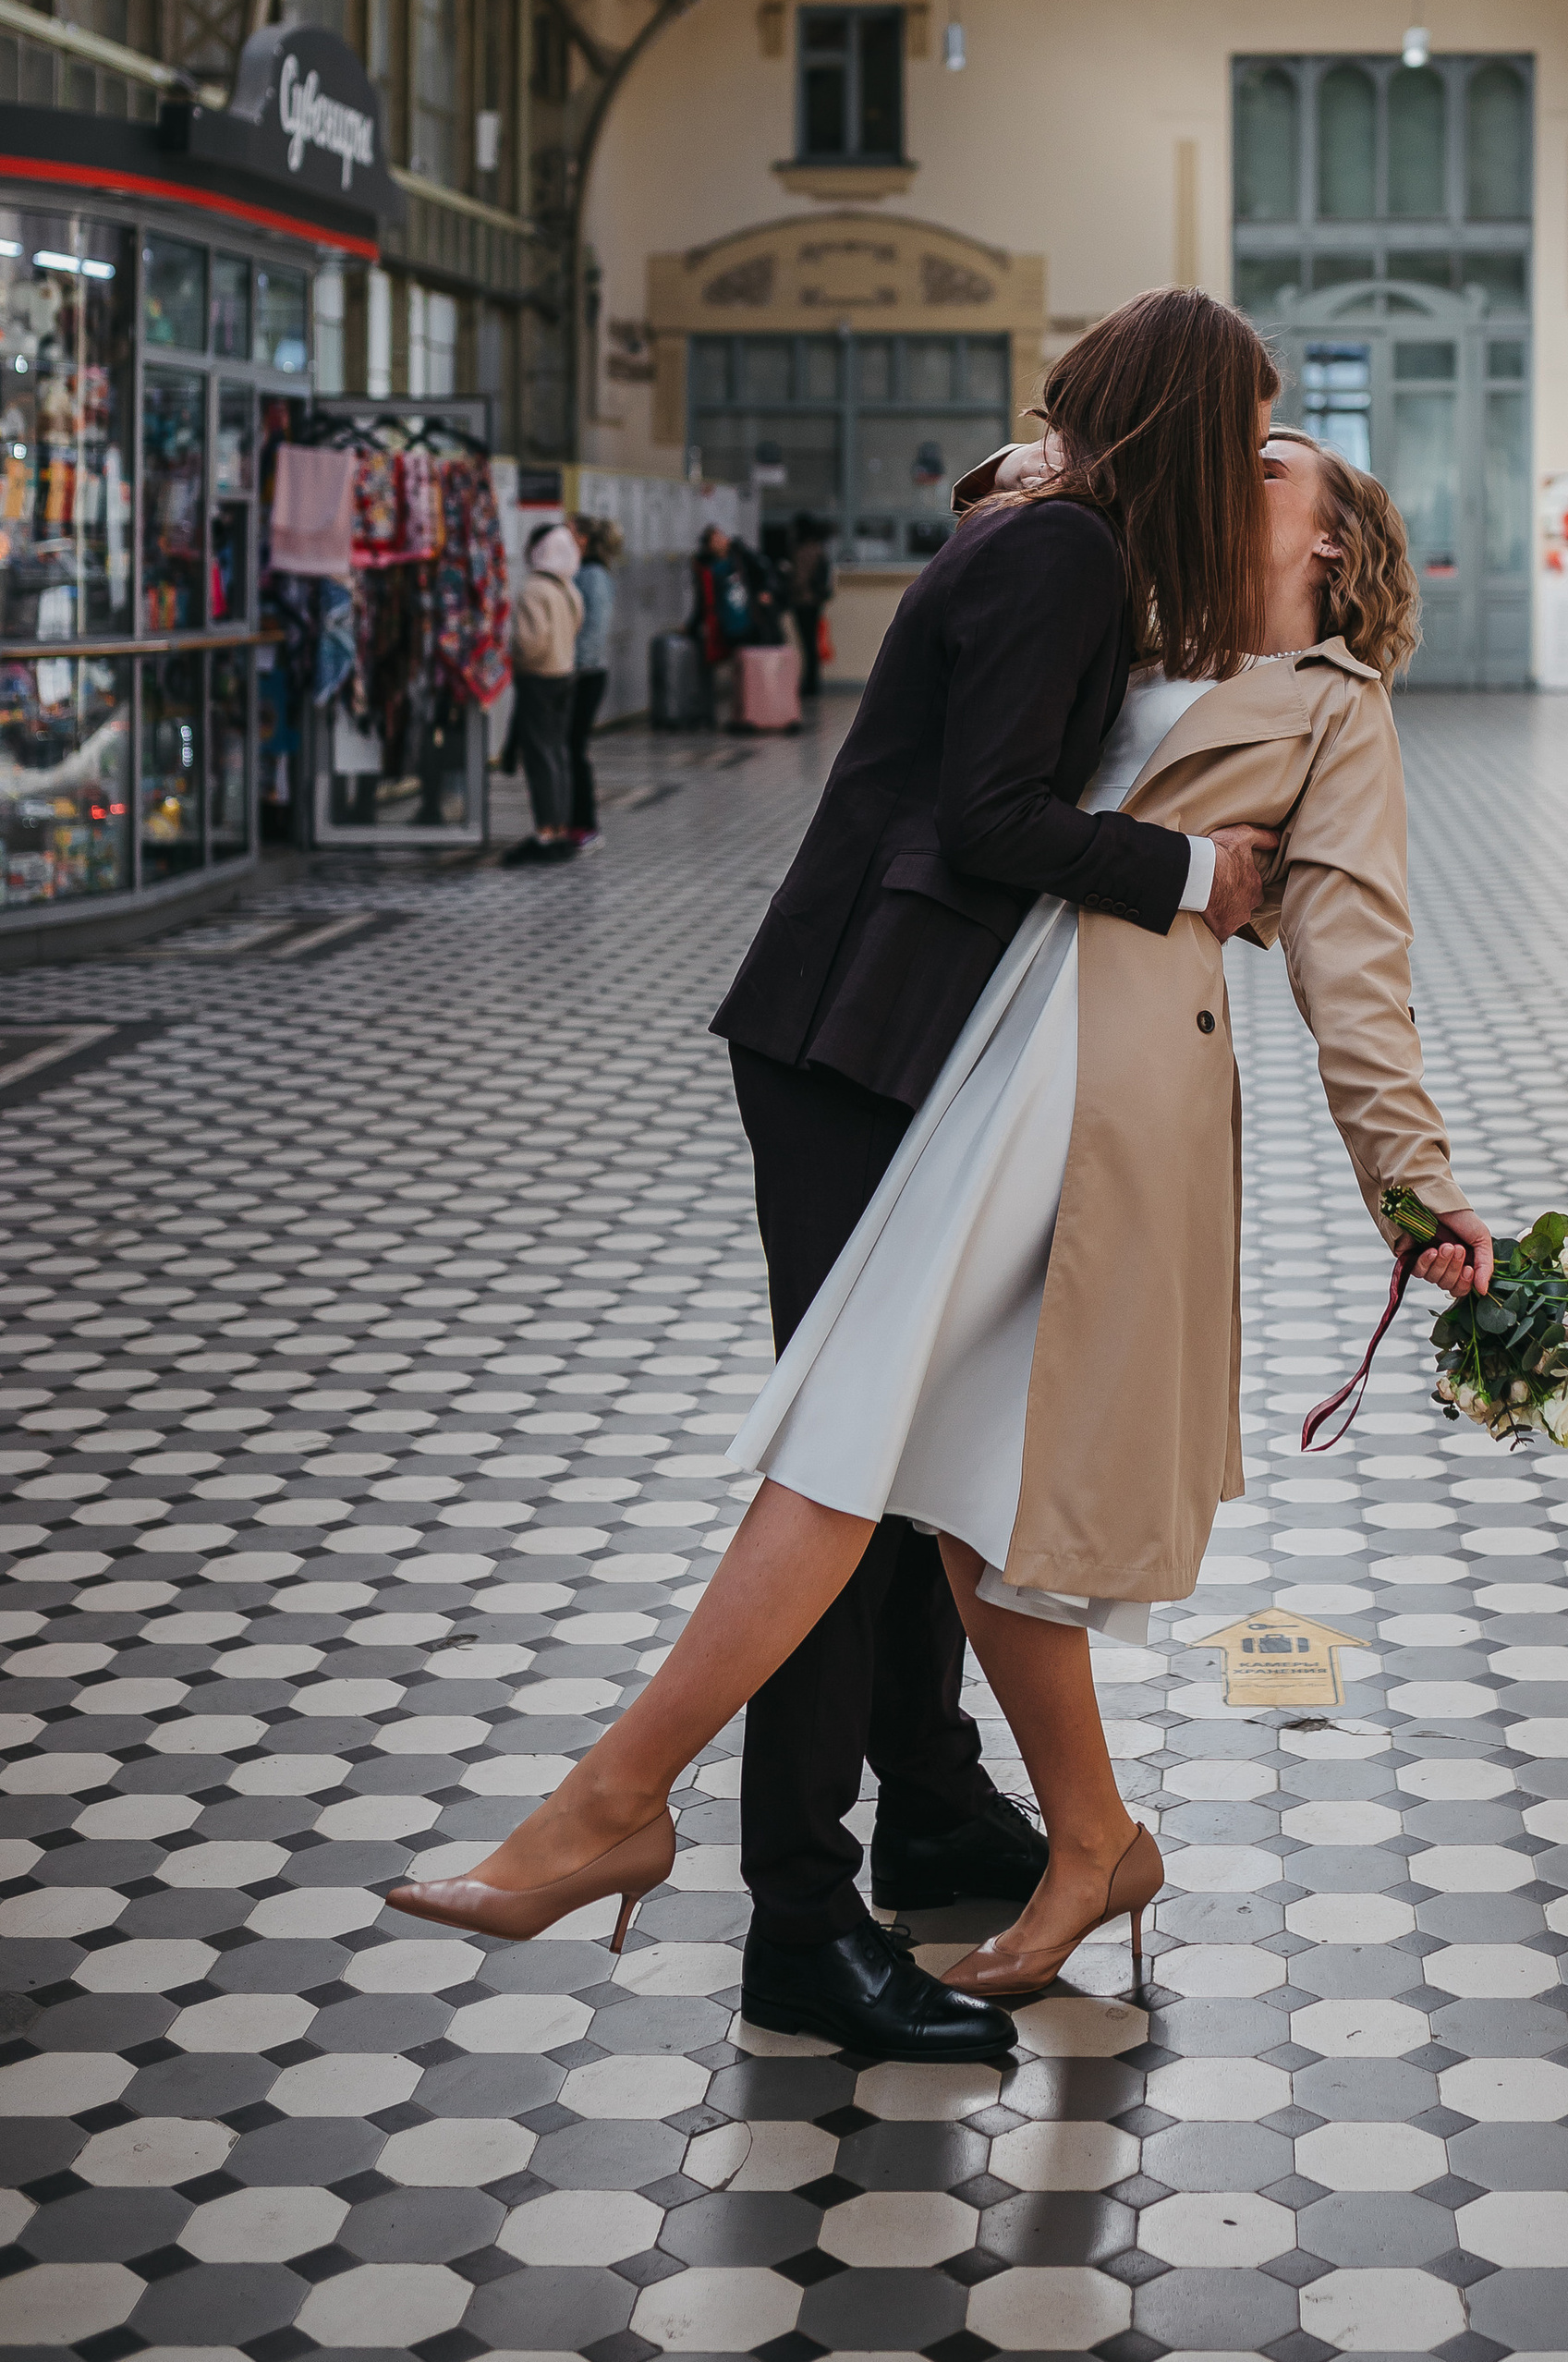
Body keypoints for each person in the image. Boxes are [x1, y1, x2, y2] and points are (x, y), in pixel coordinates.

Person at [387, 298, 1490, 2049]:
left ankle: (720, 1813)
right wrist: (1082, 474)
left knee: (907, 1472)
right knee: (905, 1477)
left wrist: (1415, 1192)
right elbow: (1024, 563)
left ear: (1334, 531)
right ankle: (999, 1836)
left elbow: (1358, 962)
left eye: (1271, 463)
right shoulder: (1126, 594)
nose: (1241, 472)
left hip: (1094, 1104)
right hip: (983, 1065)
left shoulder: (1329, 708)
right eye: (1231, 440)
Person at [503, 523, 582, 871]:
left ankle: (545, 832)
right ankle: (561, 827)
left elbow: (531, 643)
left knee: (539, 757)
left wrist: (510, 654)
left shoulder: (535, 589)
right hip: (565, 674)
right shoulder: (566, 587)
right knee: (558, 753)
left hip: (538, 679)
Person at [568, 515, 618, 848]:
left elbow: (592, 632)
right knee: (569, 748)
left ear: (584, 539)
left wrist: (571, 668)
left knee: (573, 748)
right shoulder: (585, 573)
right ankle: (574, 821)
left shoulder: (593, 576)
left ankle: (585, 824)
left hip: (585, 675)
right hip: (581, 672)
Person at [785, 510, 833, 711]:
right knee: (811, 644)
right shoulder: (818, 548)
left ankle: (810, 684)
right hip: (815, 601)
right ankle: (812, 683)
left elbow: (799, 579)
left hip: (803, 602)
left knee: (807, 644)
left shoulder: (804, 550)